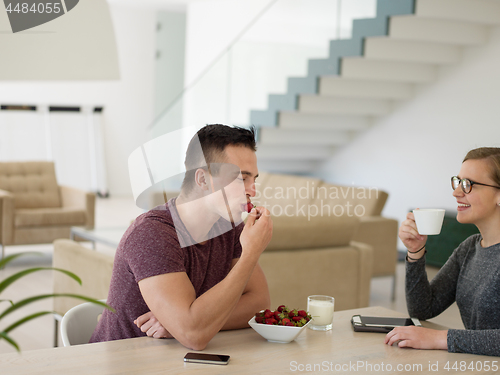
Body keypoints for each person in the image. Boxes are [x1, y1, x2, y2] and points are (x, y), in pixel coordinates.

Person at [90, 124, 273, 350]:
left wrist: (190, 323)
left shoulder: (228, 227)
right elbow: (194, 336)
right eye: (241, 179)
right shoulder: (152, 234)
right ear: (203, 180)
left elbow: (259, 303)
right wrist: (250, 253)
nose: (253, 190)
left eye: (253, 179)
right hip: (120, 364)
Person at [385, 147, 500, 356]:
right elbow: (423, 309)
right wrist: (415, 251)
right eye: (458, 182)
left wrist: (440, 338)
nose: (456, 193)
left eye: (468, 185)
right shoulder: (469, 248)